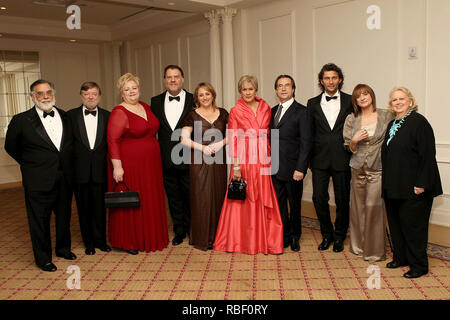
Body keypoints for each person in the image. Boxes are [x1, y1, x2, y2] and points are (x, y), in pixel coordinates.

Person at [4, 79, 76, 272]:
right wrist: (31, 165)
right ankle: (43, 258)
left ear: (53, 93)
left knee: (64, 217)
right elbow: (10, 147)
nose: (45, 96)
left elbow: (70, 146)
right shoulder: (21, 120)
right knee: (39, 221)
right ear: (32, 97)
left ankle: (63, 249)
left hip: (64, 178)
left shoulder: (65, 116)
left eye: (48, 92)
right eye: (40, 93)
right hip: (37, 180)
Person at [213, 75, 283, 255]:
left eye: (250, 89)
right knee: (244, 196)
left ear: (256, 89)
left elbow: (269, 133)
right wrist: (236, 166)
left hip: (263, 157)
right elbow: (234, 138)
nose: (248, 92)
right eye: (244, 89)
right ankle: (241, 240)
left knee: (263, 194)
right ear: (240, 91)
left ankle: (265, 240)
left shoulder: (266, 107)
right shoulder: (235, 110)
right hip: (244, 158)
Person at [381, 87, 442, 278]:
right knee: (396, 225)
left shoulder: (419, 122)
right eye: (394, 100)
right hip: (394, 186)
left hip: (414, 187)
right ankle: (401, 257)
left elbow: (427, 156)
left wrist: (422, 183)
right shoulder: (392, 123)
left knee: (413, 227)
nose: (397, 102)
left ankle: (419, 265)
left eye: (401, 98)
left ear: (410, 101)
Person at [107, 73, 168, 255]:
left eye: (134, 88)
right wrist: (118, 167)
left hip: (151, 164)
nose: (131, 92)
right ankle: (130, 241)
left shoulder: (145, 106)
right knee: (132, 201)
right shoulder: (119, 112)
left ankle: (151, 236)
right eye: (127, 89)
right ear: (121, 93)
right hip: (131, 164)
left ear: (139, 89)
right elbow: (112, 140)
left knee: (150, 197)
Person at [343, 84, 393, 262]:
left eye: (365, 94)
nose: (362, 98)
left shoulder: (386, 115)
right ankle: (358, 246)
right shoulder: (351, 118)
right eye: (358, 96)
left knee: (374, 208)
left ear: (371, 95)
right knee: (357, 208)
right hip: (357, 167)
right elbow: (348, 145)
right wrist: (354, 140)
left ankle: (374, 251)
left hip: (377, 167)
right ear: (355, 101)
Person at [307, 63, 353, 253]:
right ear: (321, 80)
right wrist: (307, 159)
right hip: (319, 159)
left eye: (334, 77)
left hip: (343, 158)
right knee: (318, 197)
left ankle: (340, 235)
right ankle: (327, 234)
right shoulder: (312, 103)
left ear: (340, 79)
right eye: (327, 78)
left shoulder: (351, 100)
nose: (331, 81)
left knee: (342, 199)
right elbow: (309, 132)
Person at [180, 82, 228, 251]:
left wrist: (220, 144)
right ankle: (202, 238)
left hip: (219, 159)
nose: (205, 97)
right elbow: (184, 139)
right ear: (196, 98)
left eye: (207, 94)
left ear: (213, 95)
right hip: (199, 160)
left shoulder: (223, 113)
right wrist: (204, 148)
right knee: (201, 197)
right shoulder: (192, 115)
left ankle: (219, 237)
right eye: (201, 95)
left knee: (219, 195)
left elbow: (232, 134)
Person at [151, 65, 194, 246]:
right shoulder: (155, 101)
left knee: (190, 196)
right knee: (173, 197)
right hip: (166, 158)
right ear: (164, 80)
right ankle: (179, 230)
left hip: (189, 156)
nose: (173, 80)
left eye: (176, 76)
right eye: (169, 77)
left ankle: (193, 229)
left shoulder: (194, 99)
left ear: (183, 79)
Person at [67, 82, 111, 255]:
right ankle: (89, 243)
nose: (90, 97)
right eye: (86, 94)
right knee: (84, 209)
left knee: (101, 208)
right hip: (80, 171)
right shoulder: (70, 116)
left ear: (99, 96)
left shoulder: (108, 115)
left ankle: (101, 241)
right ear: (81, 96)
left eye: (94, 93)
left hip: (101, 170)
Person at [270, 75, 313, 252]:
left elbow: (306, 142)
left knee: (294, 205)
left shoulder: (302, 111)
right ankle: (284, 235)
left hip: (293, 168)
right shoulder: (272, 111)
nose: (283, 89)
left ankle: (295, 236)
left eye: (287, 85)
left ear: (293, 89)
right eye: (280, 86)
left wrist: (300, 168)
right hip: (273, 167)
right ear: (276, 90)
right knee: (279, 205)